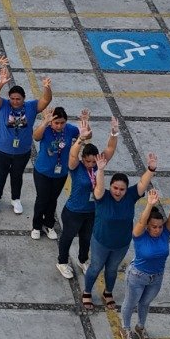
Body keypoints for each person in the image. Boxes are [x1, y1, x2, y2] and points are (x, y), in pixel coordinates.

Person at [81, 153, 157, 313]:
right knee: (95, 267)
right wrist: (100, 170)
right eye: (115, 188)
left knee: (112, 269)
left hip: (121, 244)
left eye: (122, 189)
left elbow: (143, 183)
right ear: (111, 187)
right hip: (101, 241)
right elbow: (99, 187)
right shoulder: (103, 197)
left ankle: (108, 292)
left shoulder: (130, 196)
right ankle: (87, 291)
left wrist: (151, 169)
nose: (118, 191)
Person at [119, 187, 170, 339]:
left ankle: (140, 326)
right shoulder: (140, 235)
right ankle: (125, 328)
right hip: (137, 276)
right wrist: (149, 204)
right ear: (148, 226)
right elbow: (141, 221)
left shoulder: (164, 234)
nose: (157, 229)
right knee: (130, 302)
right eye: (154, 226)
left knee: (145, 302)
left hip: (156, 277)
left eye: (160, 226)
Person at [56, 113, 118, 279]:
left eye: (93, 162)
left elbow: (110, 149)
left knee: (86, 238)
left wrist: (113, 133)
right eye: (88, 162)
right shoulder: (76, 167)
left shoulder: (99, 165)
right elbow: (72, 155)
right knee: (68, 237)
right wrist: (81, 139)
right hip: (74, 210)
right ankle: (62, 262)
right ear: (83, 159)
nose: (91, 165)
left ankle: (83, 260)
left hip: (92, 211)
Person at [0, 64, 50, 213]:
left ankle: (16, 199)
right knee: (1, 175)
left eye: (18, 99)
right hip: (2, 149)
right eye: (13, 99)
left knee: (17, 176)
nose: (15, 102)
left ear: (24, 98)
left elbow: (46, 100)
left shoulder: (31, 107)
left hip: (22, 151)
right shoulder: (3, 105)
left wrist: (47, 88)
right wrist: (1, 83)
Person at [30, 105, 81, 241]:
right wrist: (45, 122)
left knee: (53, 200)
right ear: (51, 121)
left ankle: (49, 224)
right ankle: (36, 226)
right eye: (56, 123)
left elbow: (83, 135)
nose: (59, 126)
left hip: (60, 172)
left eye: (62, 123)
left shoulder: (70, 129)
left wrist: (85, 127)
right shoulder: (46, 129)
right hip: (42, 171)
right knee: (42, 199)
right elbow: (35, 136)